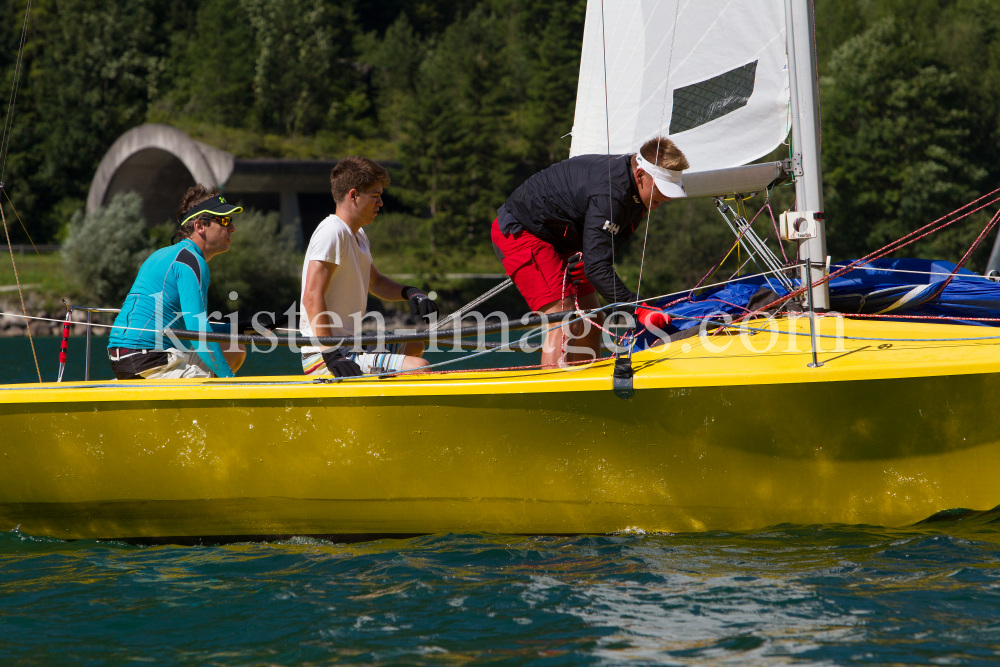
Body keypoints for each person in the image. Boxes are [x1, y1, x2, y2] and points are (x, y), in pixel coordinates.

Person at [491, 136, 685, 366]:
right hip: (523, 232)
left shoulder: (638, 195)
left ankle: (585, 388)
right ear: (640, 175)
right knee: (563, 320)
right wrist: (638, 308)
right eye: (662, 188)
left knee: (593, 319)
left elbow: (609, 244)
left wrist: (590, 257)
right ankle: (554, 394)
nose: (668, 197)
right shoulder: (611, 195)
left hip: (563, 238)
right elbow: (597, 267)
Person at [300, 156, 438, 378]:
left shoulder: (358, 235)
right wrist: (332, 354)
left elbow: (376, 282)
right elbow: (311, 296)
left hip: (351, 345)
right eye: (375, 196)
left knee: (413, 344)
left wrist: (411, 292)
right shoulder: (332, 231)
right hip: (324, 356)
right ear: (353, 195)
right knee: (420, 367)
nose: (380, 203)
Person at [107, 186, 246, 380]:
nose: (232, 228)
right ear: (199, 226)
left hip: (123, 358)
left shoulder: (164, 254)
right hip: (147, 360)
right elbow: (198, 331)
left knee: (234, 347)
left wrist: (246, 327)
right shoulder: (191, 262)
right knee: (226, 363)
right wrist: (230, 382)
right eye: (224, 220)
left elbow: (194, 326)